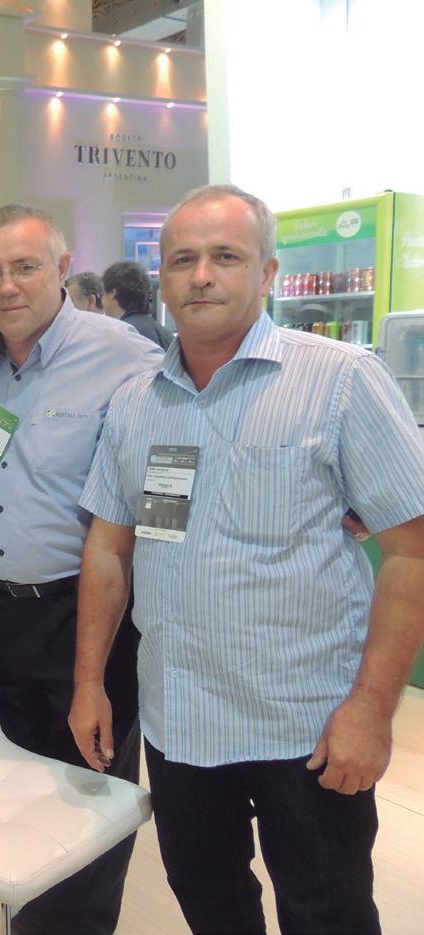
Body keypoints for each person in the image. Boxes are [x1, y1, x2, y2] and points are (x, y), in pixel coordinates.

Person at [71, 184, 424, 935]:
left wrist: (371, 710)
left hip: (306, 726)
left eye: (225, 256)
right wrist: (90, 681)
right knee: (211, 903)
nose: (201, 275)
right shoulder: (137, 400)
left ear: (266, 273)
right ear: (162, 278)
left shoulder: (339, 380)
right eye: (182, 259)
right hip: (180, 723)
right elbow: (108, 544)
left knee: (327, 912)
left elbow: (410, 552)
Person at [0, 204, 163, 935]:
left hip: (88, 609)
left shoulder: (124, 354)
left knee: (89, 792)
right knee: (14, 784)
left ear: (63, 269)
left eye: (25, 267)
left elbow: (196, 430)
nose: (7, 286)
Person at [102, 260, 173, 349]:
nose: (102, 301)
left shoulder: (122, 334)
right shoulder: (165, 334)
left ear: (113, 293)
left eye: (103, 294)